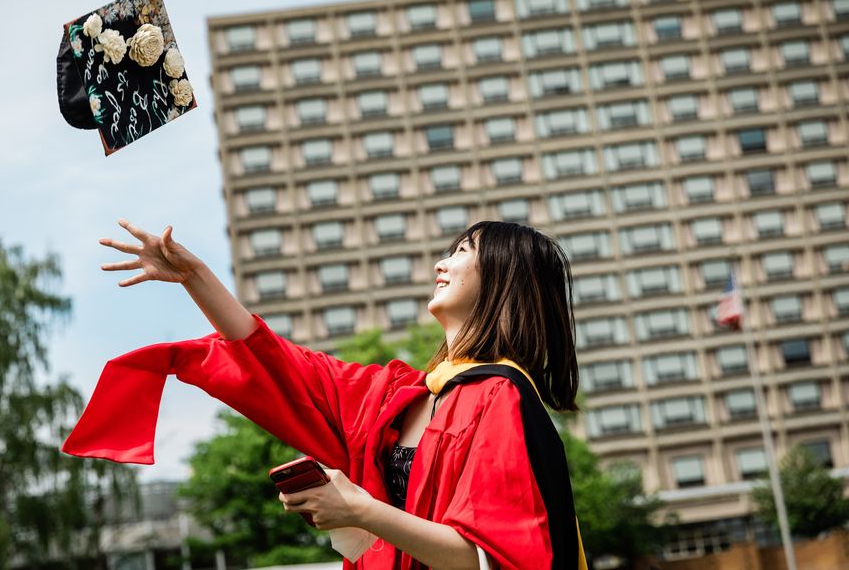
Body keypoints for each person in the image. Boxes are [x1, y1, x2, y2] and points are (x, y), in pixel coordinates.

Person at [63, 219, 586, 570]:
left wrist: (361, 511)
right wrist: (195, 278)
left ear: (503, 279)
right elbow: (280, 366)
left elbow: (488, 558)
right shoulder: (399, 395)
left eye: (462, 253)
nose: (440, 264)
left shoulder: (498, 396)